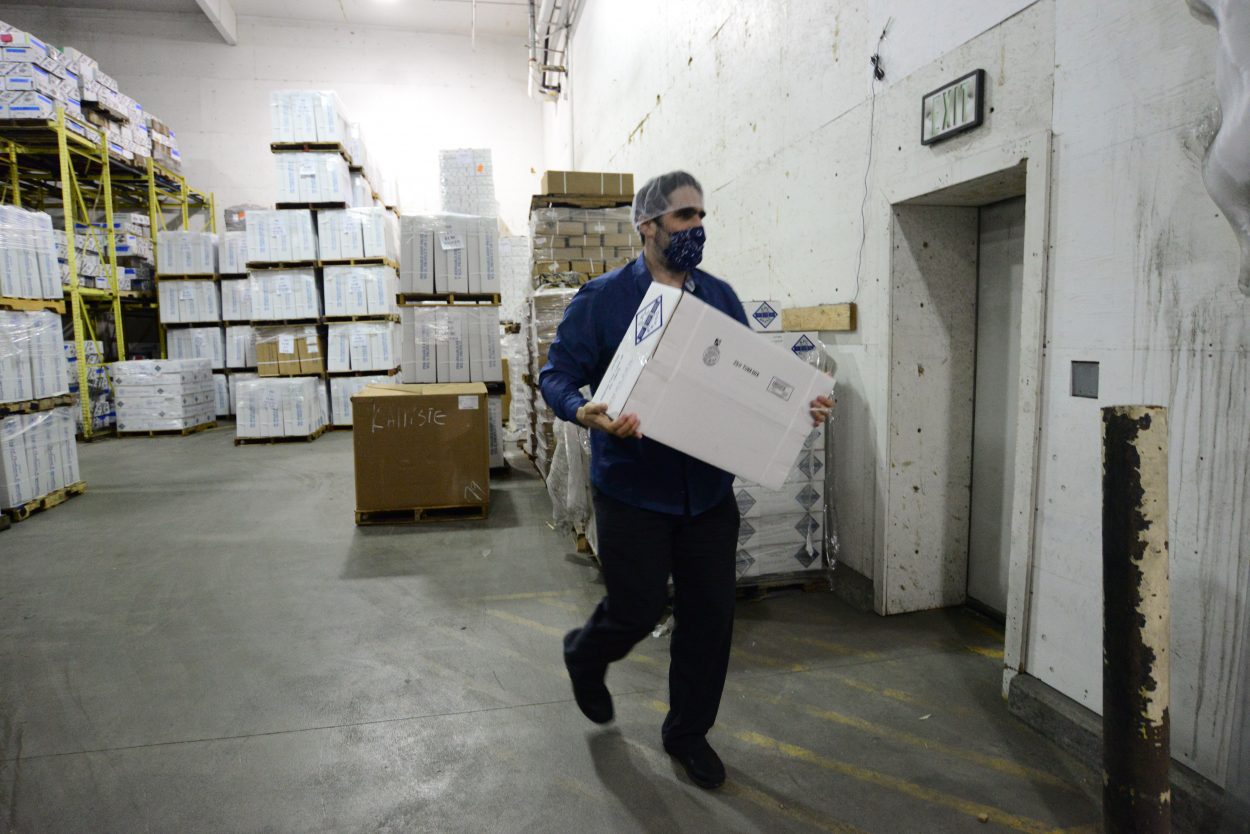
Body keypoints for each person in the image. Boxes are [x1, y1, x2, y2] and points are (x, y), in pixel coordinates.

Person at [539, 170, 833, 789]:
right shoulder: (603, 299)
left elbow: (747, 384)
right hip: (633, 490)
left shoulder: (718, 297)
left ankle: (688, 733)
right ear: (647, 226)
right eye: (684, 217)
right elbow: (556, 373)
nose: (697, 227)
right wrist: (580, 409)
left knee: (709, 618)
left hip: (706, 495)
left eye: (701, 216)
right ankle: (586, 653)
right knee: (637, 607)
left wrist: (799, 406)